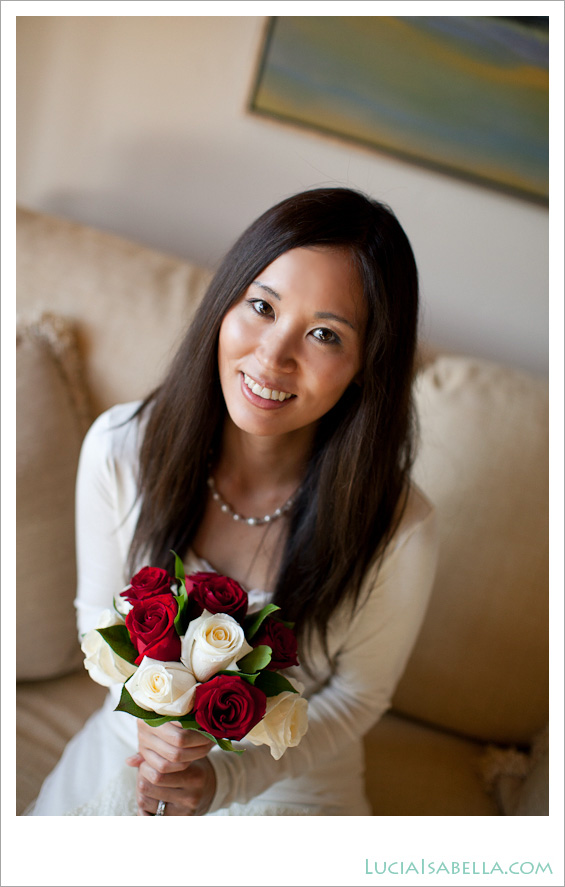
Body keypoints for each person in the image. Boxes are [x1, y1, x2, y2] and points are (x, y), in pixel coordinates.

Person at [28, 187, 438, 816]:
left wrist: (230, 783)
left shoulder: (400, 526)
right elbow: (96, 620)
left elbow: (356, 699)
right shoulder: (119, 447)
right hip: (137, 742)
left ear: (365, 366)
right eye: (262, 306)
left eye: (325, 334)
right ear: (226, 301)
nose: (273, 356)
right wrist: (151, 719)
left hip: (292, 777)